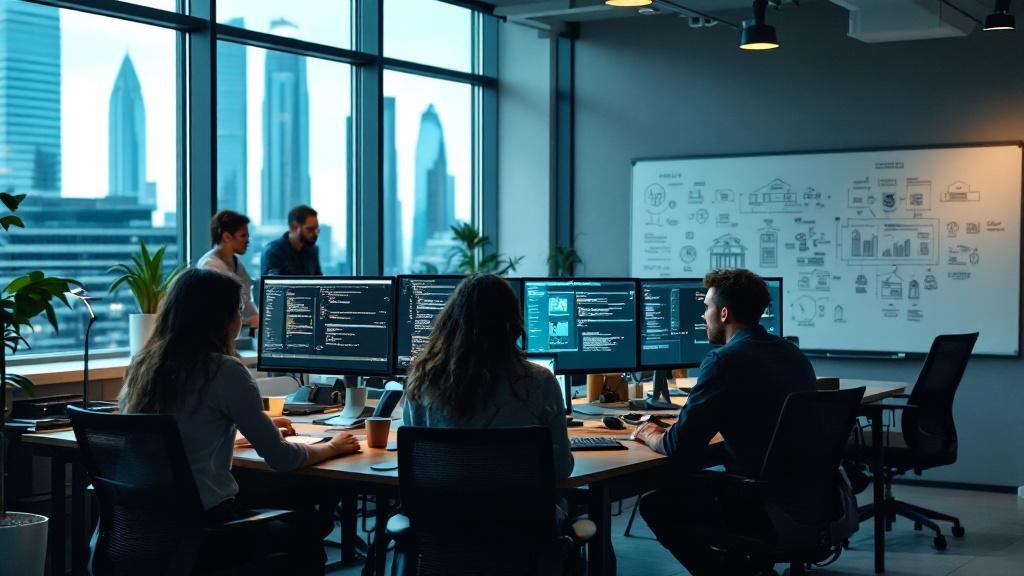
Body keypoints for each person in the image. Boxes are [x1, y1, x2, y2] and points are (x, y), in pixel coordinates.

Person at [119, 268, 360, 574]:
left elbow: (183, 434)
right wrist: (334, 447)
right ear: (219, 319)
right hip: (208, 531)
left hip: (145, 527)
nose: (242, 320)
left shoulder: (143, 366)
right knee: (310, 522)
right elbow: (282, 458)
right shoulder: (223, 371)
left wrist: (250, 431)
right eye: (237, 311)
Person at [632, 268, 816, 576]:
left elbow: (681, 446)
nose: (704, 315)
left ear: (725, 312)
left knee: (656, 505)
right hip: (801, 494)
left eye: (707, 307)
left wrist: (650, 432)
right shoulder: (792, 354)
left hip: (754, 497)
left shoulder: (724, 361)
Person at [403, 274, 573, 482]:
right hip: (522, 513)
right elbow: (561, 469)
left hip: (440, 513)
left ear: (450, 323)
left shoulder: (422, 381)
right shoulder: (539, 382)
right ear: (513, 325)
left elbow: (415, 464)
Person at [197, 210, 259, 328]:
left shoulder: (235, 263)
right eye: (243, 235)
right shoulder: (210, 266)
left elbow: (246, 300)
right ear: (226, 237)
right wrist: (252, 320)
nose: (247, 240)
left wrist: (258, 320)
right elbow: (219, 311)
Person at [262, 205, 323, 277]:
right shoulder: (273, 251)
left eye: (317, 229)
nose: (315, 233)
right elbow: (271, 285)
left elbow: (318, 281)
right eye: (310, 229)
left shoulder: (313, 250)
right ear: (294, 227)